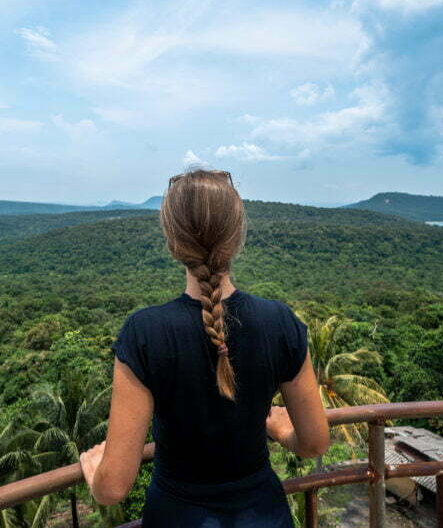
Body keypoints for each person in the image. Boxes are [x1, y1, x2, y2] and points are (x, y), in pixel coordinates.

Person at [79, 169, 330, 526]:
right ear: (237, 237)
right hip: (264, 514)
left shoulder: (145, 333)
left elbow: (114, 488)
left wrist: (94, 470)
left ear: (172, 242)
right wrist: (279, 428)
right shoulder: (280, 322)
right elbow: (314, 443)